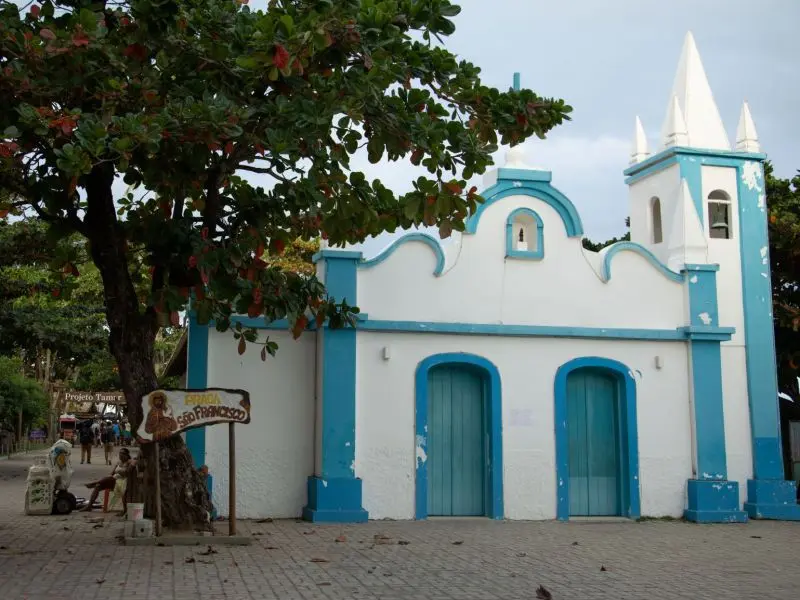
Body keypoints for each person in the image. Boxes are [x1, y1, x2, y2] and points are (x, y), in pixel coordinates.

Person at [81, 448, 132, 512]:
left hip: (122, 482)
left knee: (109, 479)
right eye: (120, 453)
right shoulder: (118, 463)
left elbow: (126, 473)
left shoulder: (129, 462)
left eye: (122, 453)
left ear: (127, 455)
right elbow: (112, 473)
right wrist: (109, 477)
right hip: (113, 481)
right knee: (98, 486)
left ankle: (94, 483)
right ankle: (89, 506)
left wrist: (119, 472)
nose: (120, 455)